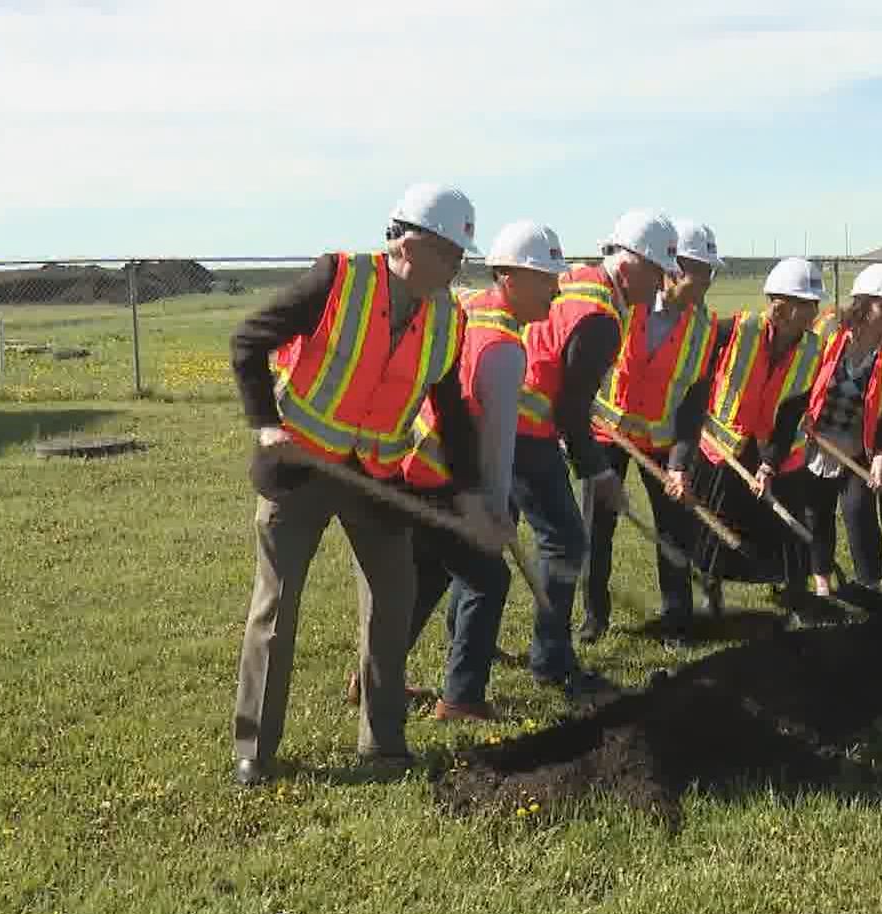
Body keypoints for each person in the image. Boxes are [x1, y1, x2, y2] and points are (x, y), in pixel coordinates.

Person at [226, 183, 492, 787]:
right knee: (276, 608)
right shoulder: (337, 279)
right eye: (451, 253)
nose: (457, 267)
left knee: (392, 607)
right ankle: (255, 752)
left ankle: (384, 745)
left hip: (377, 478)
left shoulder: (447, 316)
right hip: (301, 470)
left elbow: (452, 411)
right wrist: (266, 425)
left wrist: (470, 491)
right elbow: (248, 342)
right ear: (411, 245)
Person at [392, 221, 568, 720]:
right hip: (443, 478)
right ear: (509, 278)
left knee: (427, 576)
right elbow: (497, 444)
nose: (555, 290)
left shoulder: (475, 310)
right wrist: (496, 511)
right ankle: (462, 699)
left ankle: (372, 675)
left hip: (416, 465)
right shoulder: (506, 351)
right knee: (488, 578)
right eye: (544, 279)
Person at [514, 209, 677, 703]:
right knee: (565, 541)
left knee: (483, 554)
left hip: (508, 419)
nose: (661, 287)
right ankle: (552, 660)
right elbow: (570, 409)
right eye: (657, 274)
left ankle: (468, 669)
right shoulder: (602, 317)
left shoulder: (581, 281)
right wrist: (600, 472)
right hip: (527, 426)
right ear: (629, 267)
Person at [580, 218, 725, 642]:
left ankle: (677, 619)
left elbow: (695, 404)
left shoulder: (704, 328)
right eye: (702, 271)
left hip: (662, 443)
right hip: (608, 433)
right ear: (676, 267)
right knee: (596, 529)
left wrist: (681, 464)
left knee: (675, 529)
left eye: (710, 273)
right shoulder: (628, 302)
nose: (707, 282)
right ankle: (594, 617)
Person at [683, 256, 829, 626]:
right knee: (713, 523)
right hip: (722, 445)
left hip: (773, 445)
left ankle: (796, 595)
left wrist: (768, 465)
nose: (814, 312)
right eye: (807, 305)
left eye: (814, 304)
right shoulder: (737, 329)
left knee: (788, 522)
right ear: (783, 305)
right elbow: (695, 366)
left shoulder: (813, 349)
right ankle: (709, 591)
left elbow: (792, 411)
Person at [787, 262, 882, 594]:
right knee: (817, 511)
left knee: (860, 510)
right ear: (863, 305)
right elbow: (797, 373)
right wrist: (799, 418)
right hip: (814, 437)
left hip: (859, 443)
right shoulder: (828, 330)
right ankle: (822, 582)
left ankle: (870, 585)